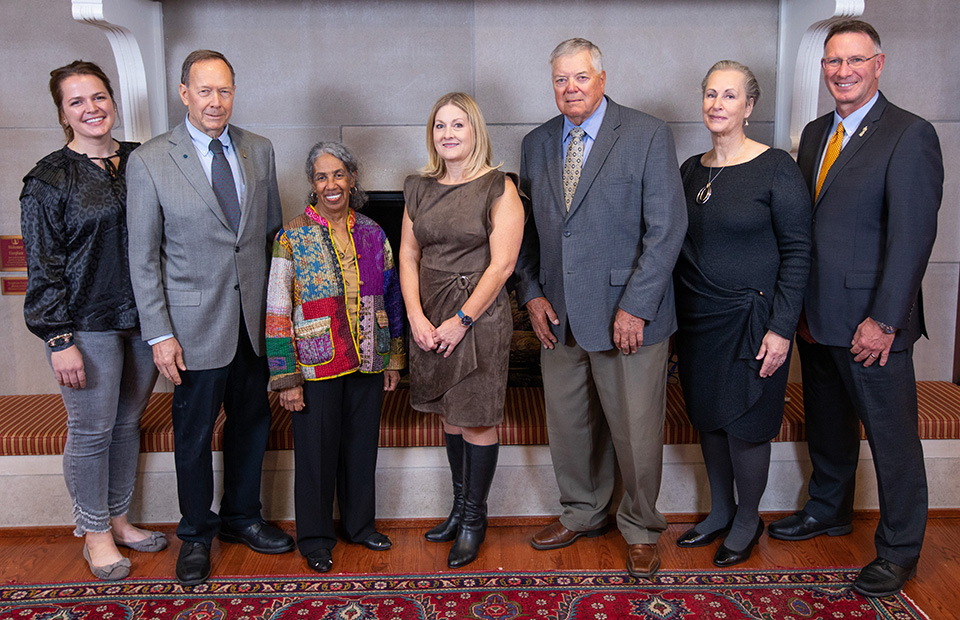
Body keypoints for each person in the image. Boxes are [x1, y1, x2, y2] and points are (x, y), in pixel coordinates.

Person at [767, 20, 942, 598]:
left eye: (855, 61)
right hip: (818, 317)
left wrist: (886, 319)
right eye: (833, 62)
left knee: (891, 440)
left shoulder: (909, 134)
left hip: (874, 323)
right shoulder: (817, 132)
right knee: (829, 428)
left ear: (879, 63)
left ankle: (898, 552)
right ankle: (828, 509)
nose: (843, 72)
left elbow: (912, 238)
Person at [514, 38, 687, 579]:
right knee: (570, 427)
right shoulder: (537, 142)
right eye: (561, 80)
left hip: (628, 316)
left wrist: (636, 306)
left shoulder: (647, 134)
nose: (571, 88)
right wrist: (531, 293)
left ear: (602, 78)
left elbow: (666, 230)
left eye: (580, 78)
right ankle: (582, 511)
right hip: (558, 314)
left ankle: (640, 526)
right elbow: (529, 234)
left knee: (635, 432)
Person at [126, 50, 293, 587]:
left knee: (252, 424)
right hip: (191, 329)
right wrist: (160, 334)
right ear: (183, 93)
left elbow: (271, 239)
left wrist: (276, 320)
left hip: (251, 325)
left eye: (224, 91)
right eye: (204, 91)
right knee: (193, 435)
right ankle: (196, 532)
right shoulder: (151, 160)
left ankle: (243, 517)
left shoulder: (258, 149)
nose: (215, 102)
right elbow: (143, 258)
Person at [20, 61, 165, 581]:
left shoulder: (141, 161)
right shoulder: (48, 178)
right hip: (84, 323)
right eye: (77, 101)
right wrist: (58, 339)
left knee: (128, 424)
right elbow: (43, 264)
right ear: (63, 113)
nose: (92, 108)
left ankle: (120, 521)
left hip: (144, 320)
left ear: (113, 100)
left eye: (99, 96)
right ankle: (95, 533)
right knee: (90, 430)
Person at [673, 61, 810, 567]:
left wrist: (781, 329)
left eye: (729, 96)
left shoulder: (777, 168)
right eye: (710, 93)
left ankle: (749, 519)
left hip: (754, 323)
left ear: (749, 107)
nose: (716, 104)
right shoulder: (691, 169)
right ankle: (720, 510)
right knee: (709, 417)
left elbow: (798, 252)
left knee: (747, 422)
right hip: (699, 321)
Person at [266, 142, 405, 574]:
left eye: (339, 174)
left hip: (368, 355)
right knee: (316, 453)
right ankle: (315, 537)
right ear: (312, 183)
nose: (331, 184)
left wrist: (394, 357)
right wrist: (286, 377)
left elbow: (392, 294)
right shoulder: (290, 237)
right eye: (322, 176)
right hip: (316, 361)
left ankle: (360, 526)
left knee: (362, 448)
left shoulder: (372, 231)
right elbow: (276, 311)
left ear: (352, 179)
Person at [399, 92, 524, 569]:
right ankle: (457, 510)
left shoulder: (499, 186)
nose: (448, 134)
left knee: (476, 417)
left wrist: (462, 320)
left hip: (478, 319)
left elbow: (503, 264)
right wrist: (416, 315)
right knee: (450, 415)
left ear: (476, 131)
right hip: (430, 317)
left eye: (458, 125)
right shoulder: (417, 187)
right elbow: (408, 254)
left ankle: (475, 519)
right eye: (439, 126)